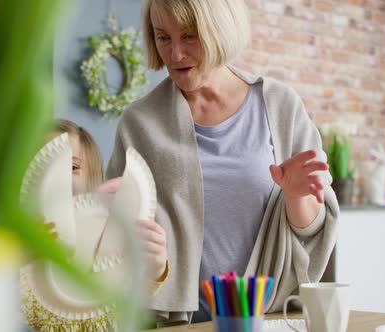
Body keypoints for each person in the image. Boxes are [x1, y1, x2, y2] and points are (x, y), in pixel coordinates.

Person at [105, 0, 339, 325]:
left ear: (220, 31)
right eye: (163, 37)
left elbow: (313, 231)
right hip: (178, 324)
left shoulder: (280, 106)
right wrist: (111, 218)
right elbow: (117, 246)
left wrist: (297, 195)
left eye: (190, 36)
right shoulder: (139, 123)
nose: (175, 54)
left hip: (271, 320)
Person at [20, 119, 169, 331]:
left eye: (72, 167)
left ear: (92, 175)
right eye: (43, 166)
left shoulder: (112, 231)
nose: (58, 177)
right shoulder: (14, 243)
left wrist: (156, 266)